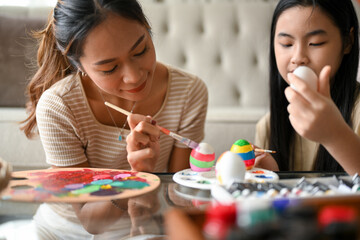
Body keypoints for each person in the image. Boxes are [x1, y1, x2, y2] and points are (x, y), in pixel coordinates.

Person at [20, 0, 208, 237]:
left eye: (141, 51)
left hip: (145, 224)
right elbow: (91, 222)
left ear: (147, 30)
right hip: (65, 230)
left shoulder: (188, 91)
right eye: (109, 69)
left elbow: (179, 198)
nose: (134, 76)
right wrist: (135, 176)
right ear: (80, 66)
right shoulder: (58, 106)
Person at [254, 0, 360, 175]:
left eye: (316, 43)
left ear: (348, 42)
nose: (298, 57)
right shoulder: (268, 126)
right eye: (287, 44)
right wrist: (271, 175)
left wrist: (335, 135)